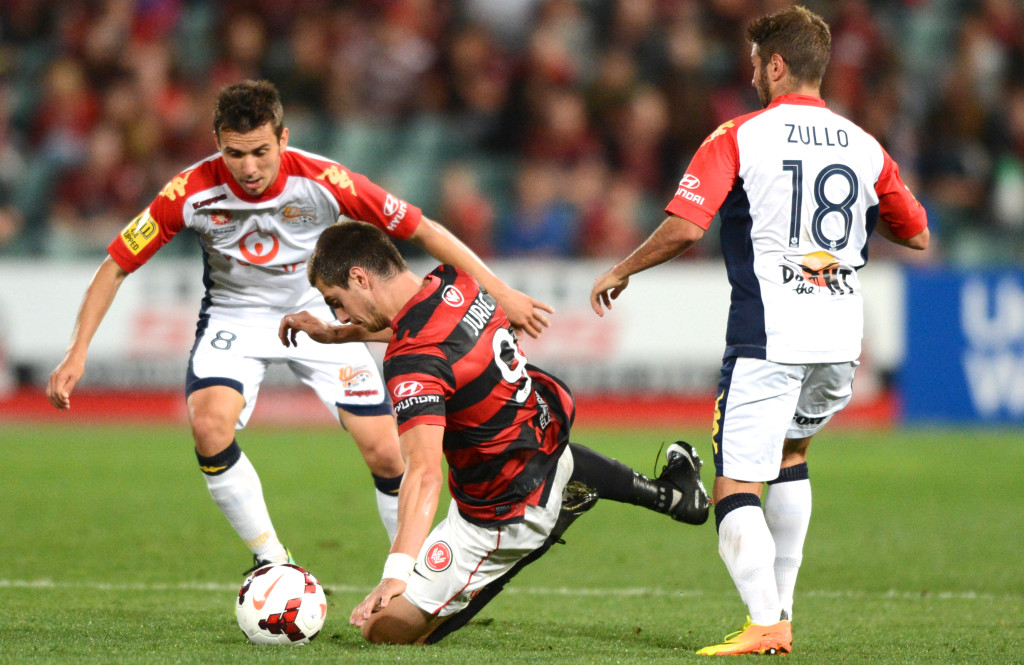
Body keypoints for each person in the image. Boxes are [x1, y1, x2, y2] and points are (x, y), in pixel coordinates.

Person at [45, 79, 554, 572]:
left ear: (283, 139)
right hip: (234, 317)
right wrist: (77, 350)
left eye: (261, 151)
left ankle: (413, 577)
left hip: (321, 313)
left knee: (385, 451)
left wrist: (499, 291)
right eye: (234, 153)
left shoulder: (325, 180)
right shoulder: (188, 192)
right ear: (217, 144)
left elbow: (423, 228)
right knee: (209, 426)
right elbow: (115, 264)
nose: (248, 167)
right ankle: (271, 561)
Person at [590, 6, 929, 657]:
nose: (750, 77)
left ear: (775, 64)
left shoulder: (739, 136)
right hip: (840, 336)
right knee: (791, 456)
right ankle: (781, 610)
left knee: (736, 485)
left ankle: (767, 620)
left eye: (754, 64)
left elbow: (688, 225)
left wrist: (624, 267)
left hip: (770, 335)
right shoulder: (864, 144)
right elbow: (915, 231)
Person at [281, 220, 711, 645]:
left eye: (336, 301)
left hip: (501, 513)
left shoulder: (412, 363)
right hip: (537, 436)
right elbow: (410, 326)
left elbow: (424, 471)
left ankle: (527, 541)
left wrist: (394, 575)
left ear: (360, 276)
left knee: (384, 630)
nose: (338, 313)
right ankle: (675, 497)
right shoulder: (454, 282)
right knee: (550, 459)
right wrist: (336, 334)